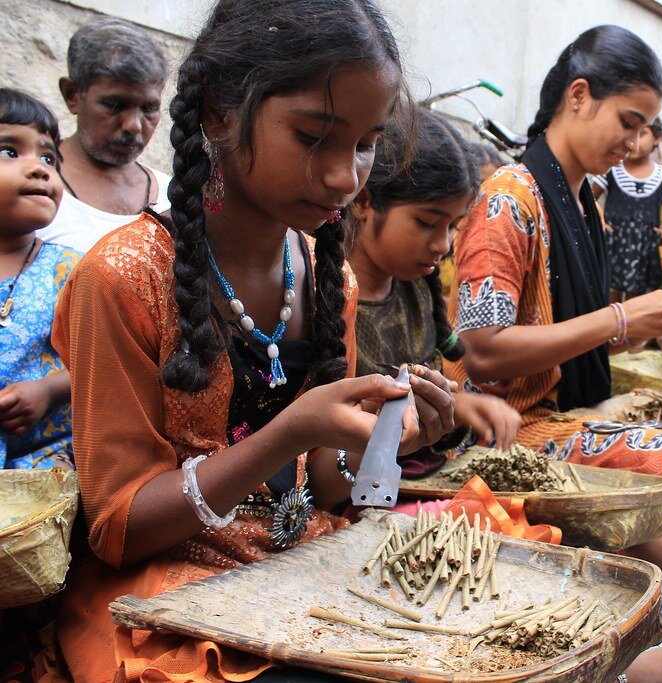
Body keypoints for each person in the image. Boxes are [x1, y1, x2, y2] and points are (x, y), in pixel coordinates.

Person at [45, 1, 457, 680]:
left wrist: (386, 441)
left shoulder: (331, 280)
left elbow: (319, 487)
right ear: (217, 111)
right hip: (169, 603)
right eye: (313, 137)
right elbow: (118, 529)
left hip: (292, 560)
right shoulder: (120, 276)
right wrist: (286, 433)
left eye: (364, 143)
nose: (344, 176)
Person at [446, 25, 662, 578]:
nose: (634, 144)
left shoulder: (585, 200)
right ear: (579, 96)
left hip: (561, 415)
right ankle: (637, 538)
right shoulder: (507, 198)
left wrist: (644, 327)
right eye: (628, 123)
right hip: (502, 430)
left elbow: (575, 329)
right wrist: (621, 317)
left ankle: (651, 527)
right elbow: (484, 352)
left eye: (644, 130)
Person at [350, 108, 522, 457]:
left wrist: (457, 407)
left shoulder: (416, 289)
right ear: (365, 201)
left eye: (452, 226)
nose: (443, 245)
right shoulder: (328, 297)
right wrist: (457, 409)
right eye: (427, 222)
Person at [36, 17, 170, 253]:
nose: (134, 126)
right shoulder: (32, 191)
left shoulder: (172, 194)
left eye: (149, 108)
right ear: (72, 95)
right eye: (116, 105)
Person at [0, 89, 80, 471]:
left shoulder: (71, 271)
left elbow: (109, 366)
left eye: (49, 157)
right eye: (9, 152)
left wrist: (48, 391)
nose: (40, 168)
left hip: (46, 467)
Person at [593, 116, 662, 301]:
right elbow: (590, 198)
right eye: (630, 133)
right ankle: (608, 329)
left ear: (656, 138)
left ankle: (630, 330)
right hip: (614, 243)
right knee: (610, 293)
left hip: (644, 246)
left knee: (636, 296)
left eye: (643, 133)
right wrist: (600, 222)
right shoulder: (612, 169)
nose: (635, 140)